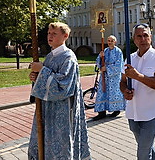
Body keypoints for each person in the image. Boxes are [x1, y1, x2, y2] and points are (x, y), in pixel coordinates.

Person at [28, 22, 90, 159]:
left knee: (61, 144)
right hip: (47, 108)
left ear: (65, 36)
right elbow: (45, 79)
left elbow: (64, 86)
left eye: (54, 34)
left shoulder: (69, 57)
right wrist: (36, 77)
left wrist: (42, 70)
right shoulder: (50, 56)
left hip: (62, 109)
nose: (50, 36)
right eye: (49, 33)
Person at [120, 23, 155, 160]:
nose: (142, 39)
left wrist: (138, 76)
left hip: (151, 113)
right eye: (139, 36)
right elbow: (122, 82)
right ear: (134, 39)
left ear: (151, 38)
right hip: (133, 112)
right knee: (146, 147)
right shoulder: (130, 58)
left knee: (143, 152)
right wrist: (125, 91)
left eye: (145, 35)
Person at [92, 35, 125, 121]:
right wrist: (100, 57)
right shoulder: (105, 51)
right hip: (105, 77)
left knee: (114, 93)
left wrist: (107, 68)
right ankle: (101, 112)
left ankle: (116, 110)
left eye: (112, 40)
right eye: (108, 41)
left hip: (114, 77)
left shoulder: (118, 51)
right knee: (102, 93)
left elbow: (119, 65)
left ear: (115, 42)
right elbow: (98, 61)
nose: (110, 42)